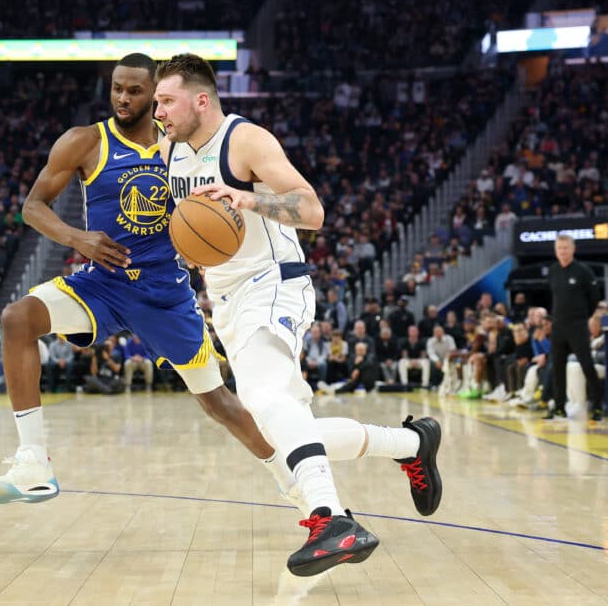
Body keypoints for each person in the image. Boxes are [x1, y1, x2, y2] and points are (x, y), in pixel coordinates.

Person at [155, 53, 442, 576]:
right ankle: (412, 443)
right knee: (286, 425)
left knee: (260, 400)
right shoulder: (169, 147)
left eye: (166, 100)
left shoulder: (247, 141)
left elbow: (312, 211)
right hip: (226, 298)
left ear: (201, 100)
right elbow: (192, 224)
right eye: (156, 102)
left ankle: (330, 519)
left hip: (275, 284)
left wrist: (245, 199)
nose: (159, 111)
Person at [0, 54, 304, 514]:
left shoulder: (180, 149)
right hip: (104, 283)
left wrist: (203, 247)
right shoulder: (85, 141)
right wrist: (78, 238)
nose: (123, 98)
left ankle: (290, 480)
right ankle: (33, 462)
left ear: (157, 95)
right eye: (117, 89)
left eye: (135, 91)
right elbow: (32, 206)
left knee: (218, 402)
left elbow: (205, 215)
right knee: (17, 319)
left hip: (164, 294)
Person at [546, 235, 603, 420]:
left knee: (587, 365)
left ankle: (597, 407)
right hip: (558, 326)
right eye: (559, 248)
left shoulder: (583, 271)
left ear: (573, 249)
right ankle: (560, 407)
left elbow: (594, 298)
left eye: (565, 247)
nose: (562, 251)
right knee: (557, 368)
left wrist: (583, 317)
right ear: (555, 250)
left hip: (577, 326)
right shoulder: (553, 271)